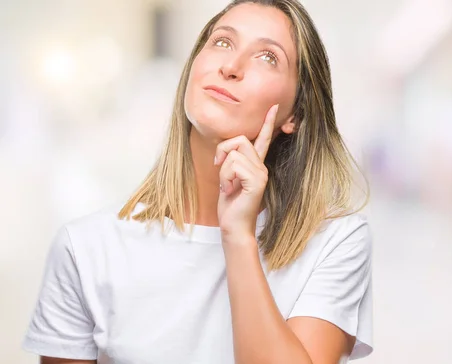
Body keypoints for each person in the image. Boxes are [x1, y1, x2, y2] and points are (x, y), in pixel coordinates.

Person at [22, 0, 373, 363]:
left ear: (296, 114)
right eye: (222, 42)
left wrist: (238, 236)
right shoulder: (85, 249)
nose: (231, 67)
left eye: (267, 57)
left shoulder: (336, 243)